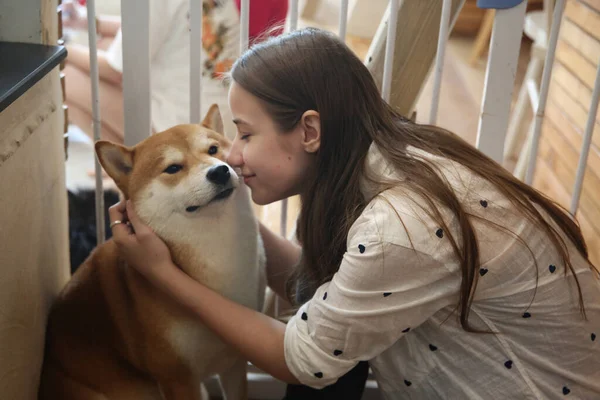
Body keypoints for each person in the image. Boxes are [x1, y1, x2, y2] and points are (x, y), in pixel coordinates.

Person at [108, 28, 600, 399]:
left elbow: (304, 359)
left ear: (309, 131)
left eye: (245, 133)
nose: (230, 156)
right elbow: (323, 290)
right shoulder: (395, 159)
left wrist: (162, 275)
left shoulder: (398, 229)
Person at [62, 0, 287, 143]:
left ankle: (133, 169)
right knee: (105, 46)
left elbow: (114, 70)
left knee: (64, 76)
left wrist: (60, 48)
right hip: (228, 118)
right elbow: (151, 27)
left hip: (187, 127)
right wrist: (88, 22)